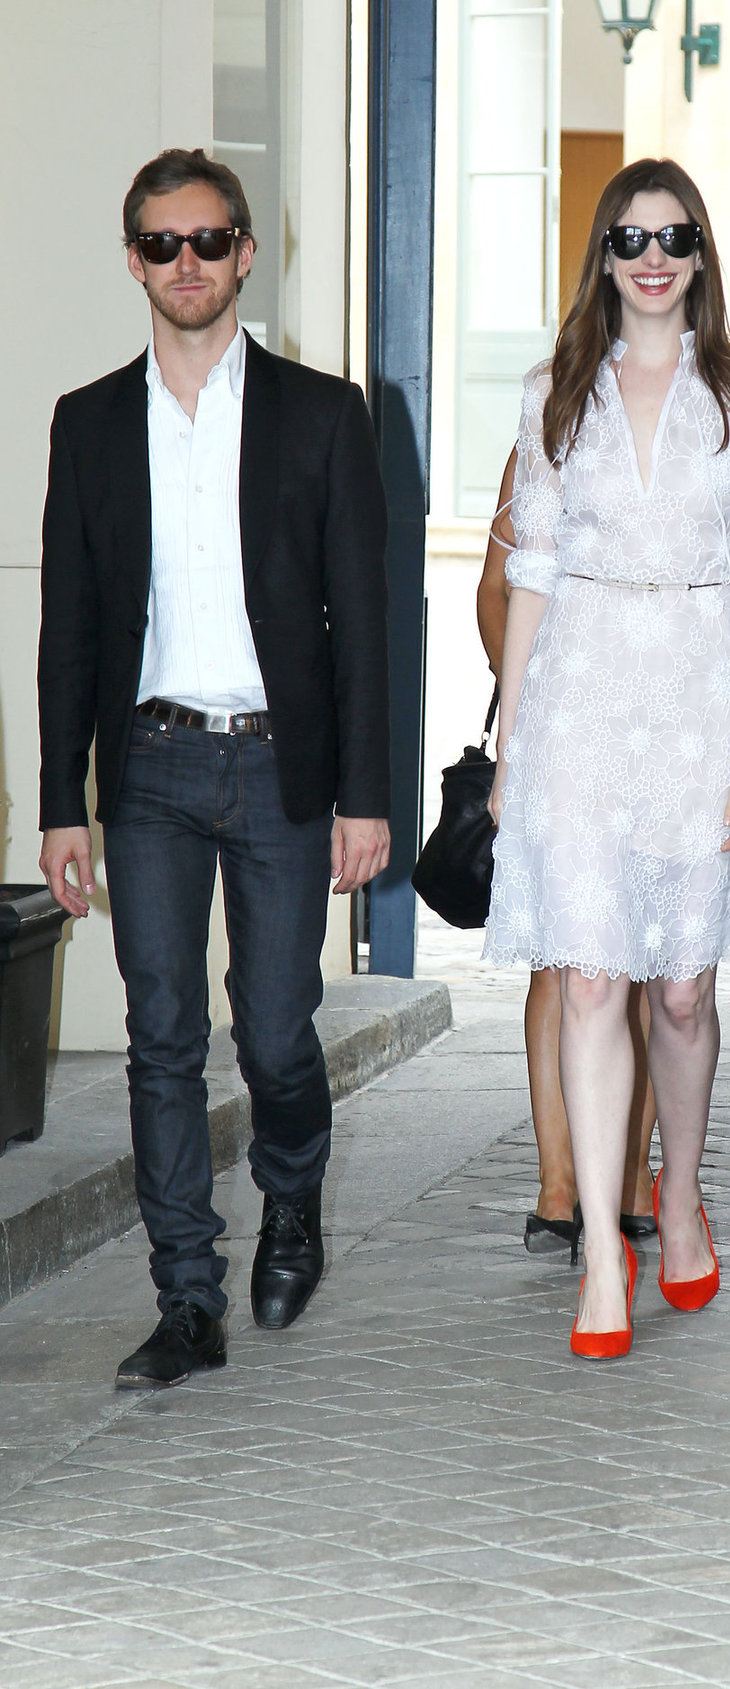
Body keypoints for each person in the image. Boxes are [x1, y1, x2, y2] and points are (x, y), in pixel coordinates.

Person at [38, 148, 391, 1390]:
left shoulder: (321, 413)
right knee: (161, 1034)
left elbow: (365, 617)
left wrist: (366, 794)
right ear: (133, 259)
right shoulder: (87, 424)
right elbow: (68, 629)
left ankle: (290, 1201)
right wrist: (56, 806)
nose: (184, 263)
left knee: (280, 1033)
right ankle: (185, 1297)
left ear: (247, 252)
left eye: (207, 239)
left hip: (282, 767)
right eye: (159, 243)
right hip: (145, 769)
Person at [484, 157, 730, 1359]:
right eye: (628, 237)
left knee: (681, 985)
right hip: (580, 707)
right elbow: (532, 572)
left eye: (672, 236)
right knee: (595, 977)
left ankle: (677, 1193)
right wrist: (512, 740)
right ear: (602, 256)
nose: (651, 256)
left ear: (700, 251)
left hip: (703, 702)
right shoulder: (555, 392)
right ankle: (604, 1256)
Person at [476, 453, 658, 1253]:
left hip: (662, 728)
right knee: (562, 960)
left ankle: (622, 1179)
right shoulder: (542, 434)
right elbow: (494, 587)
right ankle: (558, 1182)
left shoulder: (692, 419)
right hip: (567, 732)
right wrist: (530, 685)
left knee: (648, 957)